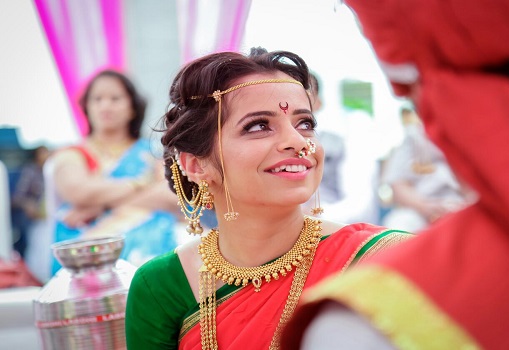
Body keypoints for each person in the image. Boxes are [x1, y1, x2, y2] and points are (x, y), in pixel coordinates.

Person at [281, 0, 509, 349]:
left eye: (305, 122)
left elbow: (362, 196)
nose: (291, 141)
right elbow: (397, 184)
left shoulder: (370, 321)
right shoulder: (412, 140)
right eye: (258, 126)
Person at [124, 47, 412, 349]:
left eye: (305, 124)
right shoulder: (161, 287)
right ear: (197, 164)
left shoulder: (384, 260)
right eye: (259, 126)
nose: (299, 142)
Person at [47, 69, 180, 276]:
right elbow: (78, 192)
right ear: (87, 107)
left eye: (115, 98)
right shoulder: (72, 154)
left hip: (149, 254)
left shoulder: (152, 151)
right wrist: (142, 184)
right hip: (87, 255)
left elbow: (172, 195)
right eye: (97, 99)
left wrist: (100, 206)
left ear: (133, 107)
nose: (105, 105)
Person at [380, 106, 474, 232]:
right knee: (398, 225)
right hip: (421, 208)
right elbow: (399, 185)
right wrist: (426, 207)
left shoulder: (476, 131)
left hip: (467, 208)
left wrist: (467, 205)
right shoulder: (414, 135)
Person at [302, 73, 379, 224]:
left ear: (319, 103)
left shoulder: (342, 145)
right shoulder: (266, 147)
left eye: (304, 92)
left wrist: (317, 214)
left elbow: (359, 203)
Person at [11, 145, 50, 258]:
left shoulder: (48, 170)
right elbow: (17, 197)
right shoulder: (30, 171)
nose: (47, 155)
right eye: (43, 153)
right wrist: (28, 204)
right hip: (31, 220)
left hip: (46, 217)